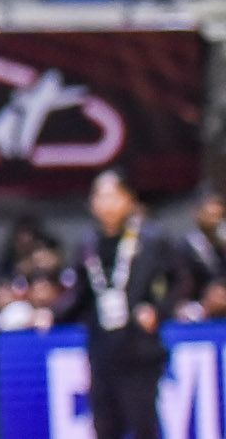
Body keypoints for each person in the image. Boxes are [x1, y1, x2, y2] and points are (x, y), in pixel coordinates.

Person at [66, 168, 184, 439]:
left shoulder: (151, 238)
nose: (106, 204)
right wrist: (49, 314)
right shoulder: (88, 244)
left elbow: (180, 279)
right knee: (105, 428)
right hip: (102, 351)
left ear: (128, 199)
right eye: (100, 196)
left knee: (143, 426)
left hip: (139, 351)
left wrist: (158, 310)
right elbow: (77, 295)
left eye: (113, 196)